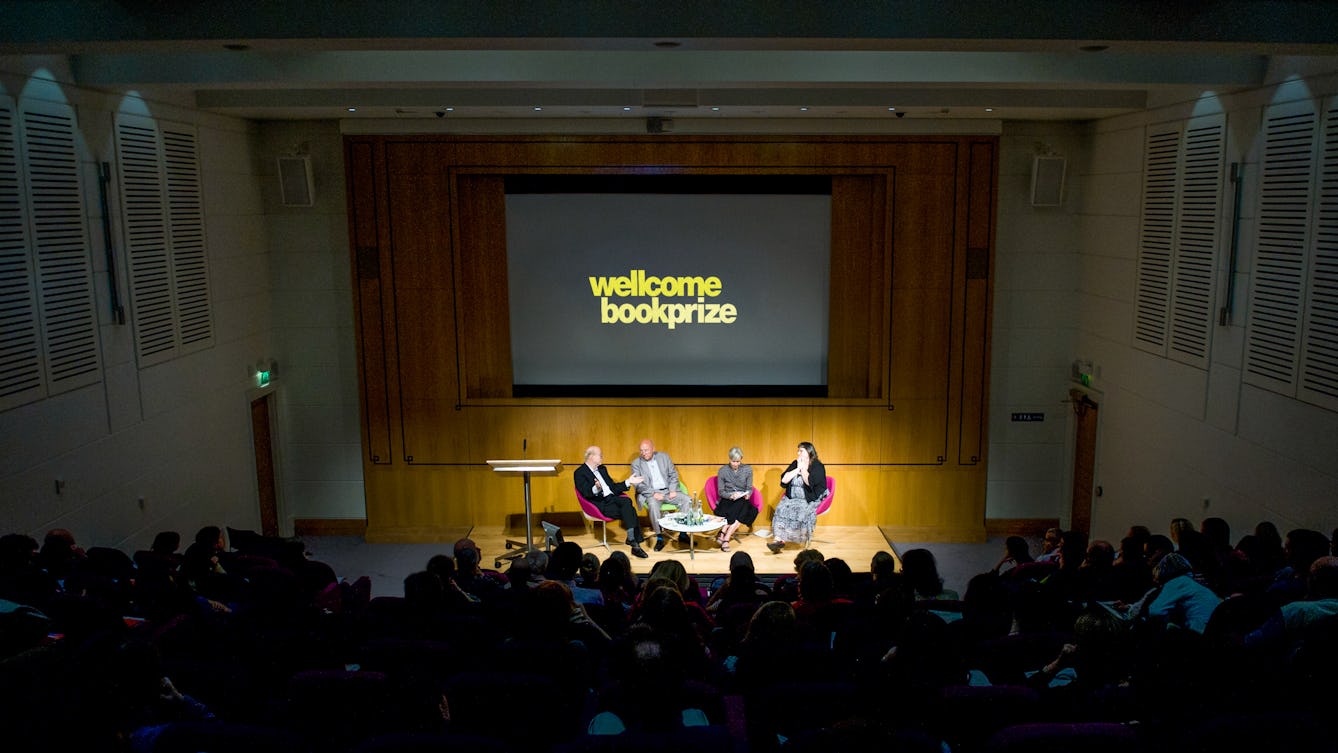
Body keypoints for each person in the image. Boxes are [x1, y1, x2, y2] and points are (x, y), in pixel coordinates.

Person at [574, 446, 648, 558]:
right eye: (600, 455)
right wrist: (596, 488)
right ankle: (634, 542)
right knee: (629, 509)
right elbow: (585, 493)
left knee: (626, 502)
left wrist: (629, 482)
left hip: (612, 499)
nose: (602, 457)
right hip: (599, 504)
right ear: (591, 456)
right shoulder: (579, 472)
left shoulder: (602, 469)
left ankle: (632, 540)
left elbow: (612, 487)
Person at [630, 438, 690, 551]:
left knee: (687, 500)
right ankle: (659, 537)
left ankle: (683, 533)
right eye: (641, 450)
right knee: (653, 506)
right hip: (651, 493)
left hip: (668, 491)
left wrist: (672, 490)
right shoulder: (636, 464)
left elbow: (673, 474)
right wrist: (653, 493)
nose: (643, 453)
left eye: (646, 450)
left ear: (653, 449)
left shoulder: (664, 457)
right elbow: (638, 485)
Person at [767, 441, 828, 553]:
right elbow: (784, 480)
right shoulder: (795, 463)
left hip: (808, 498)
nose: (798, 452)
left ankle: (787, 539)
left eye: (801, 450)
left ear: (809, 452)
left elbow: (809, 483)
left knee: (798, 510)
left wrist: (803, 469)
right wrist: (797, 468)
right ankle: (778, 541)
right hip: (791, 498)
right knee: (781, 509)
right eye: (798, 450)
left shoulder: (817, 466)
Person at [713, 446, 758, 552]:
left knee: (743, 503)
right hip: (727, 500)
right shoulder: (723, 471)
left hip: (742, 499)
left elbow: (749, 488)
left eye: (738, 461)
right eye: (733, 461)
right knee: (744, 509)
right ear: (729, 459)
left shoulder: (747, 469)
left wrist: (748, 494)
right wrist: (731, 496)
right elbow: (721, 491)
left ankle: (725, 534)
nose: (736, 464)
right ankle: (726, 538)